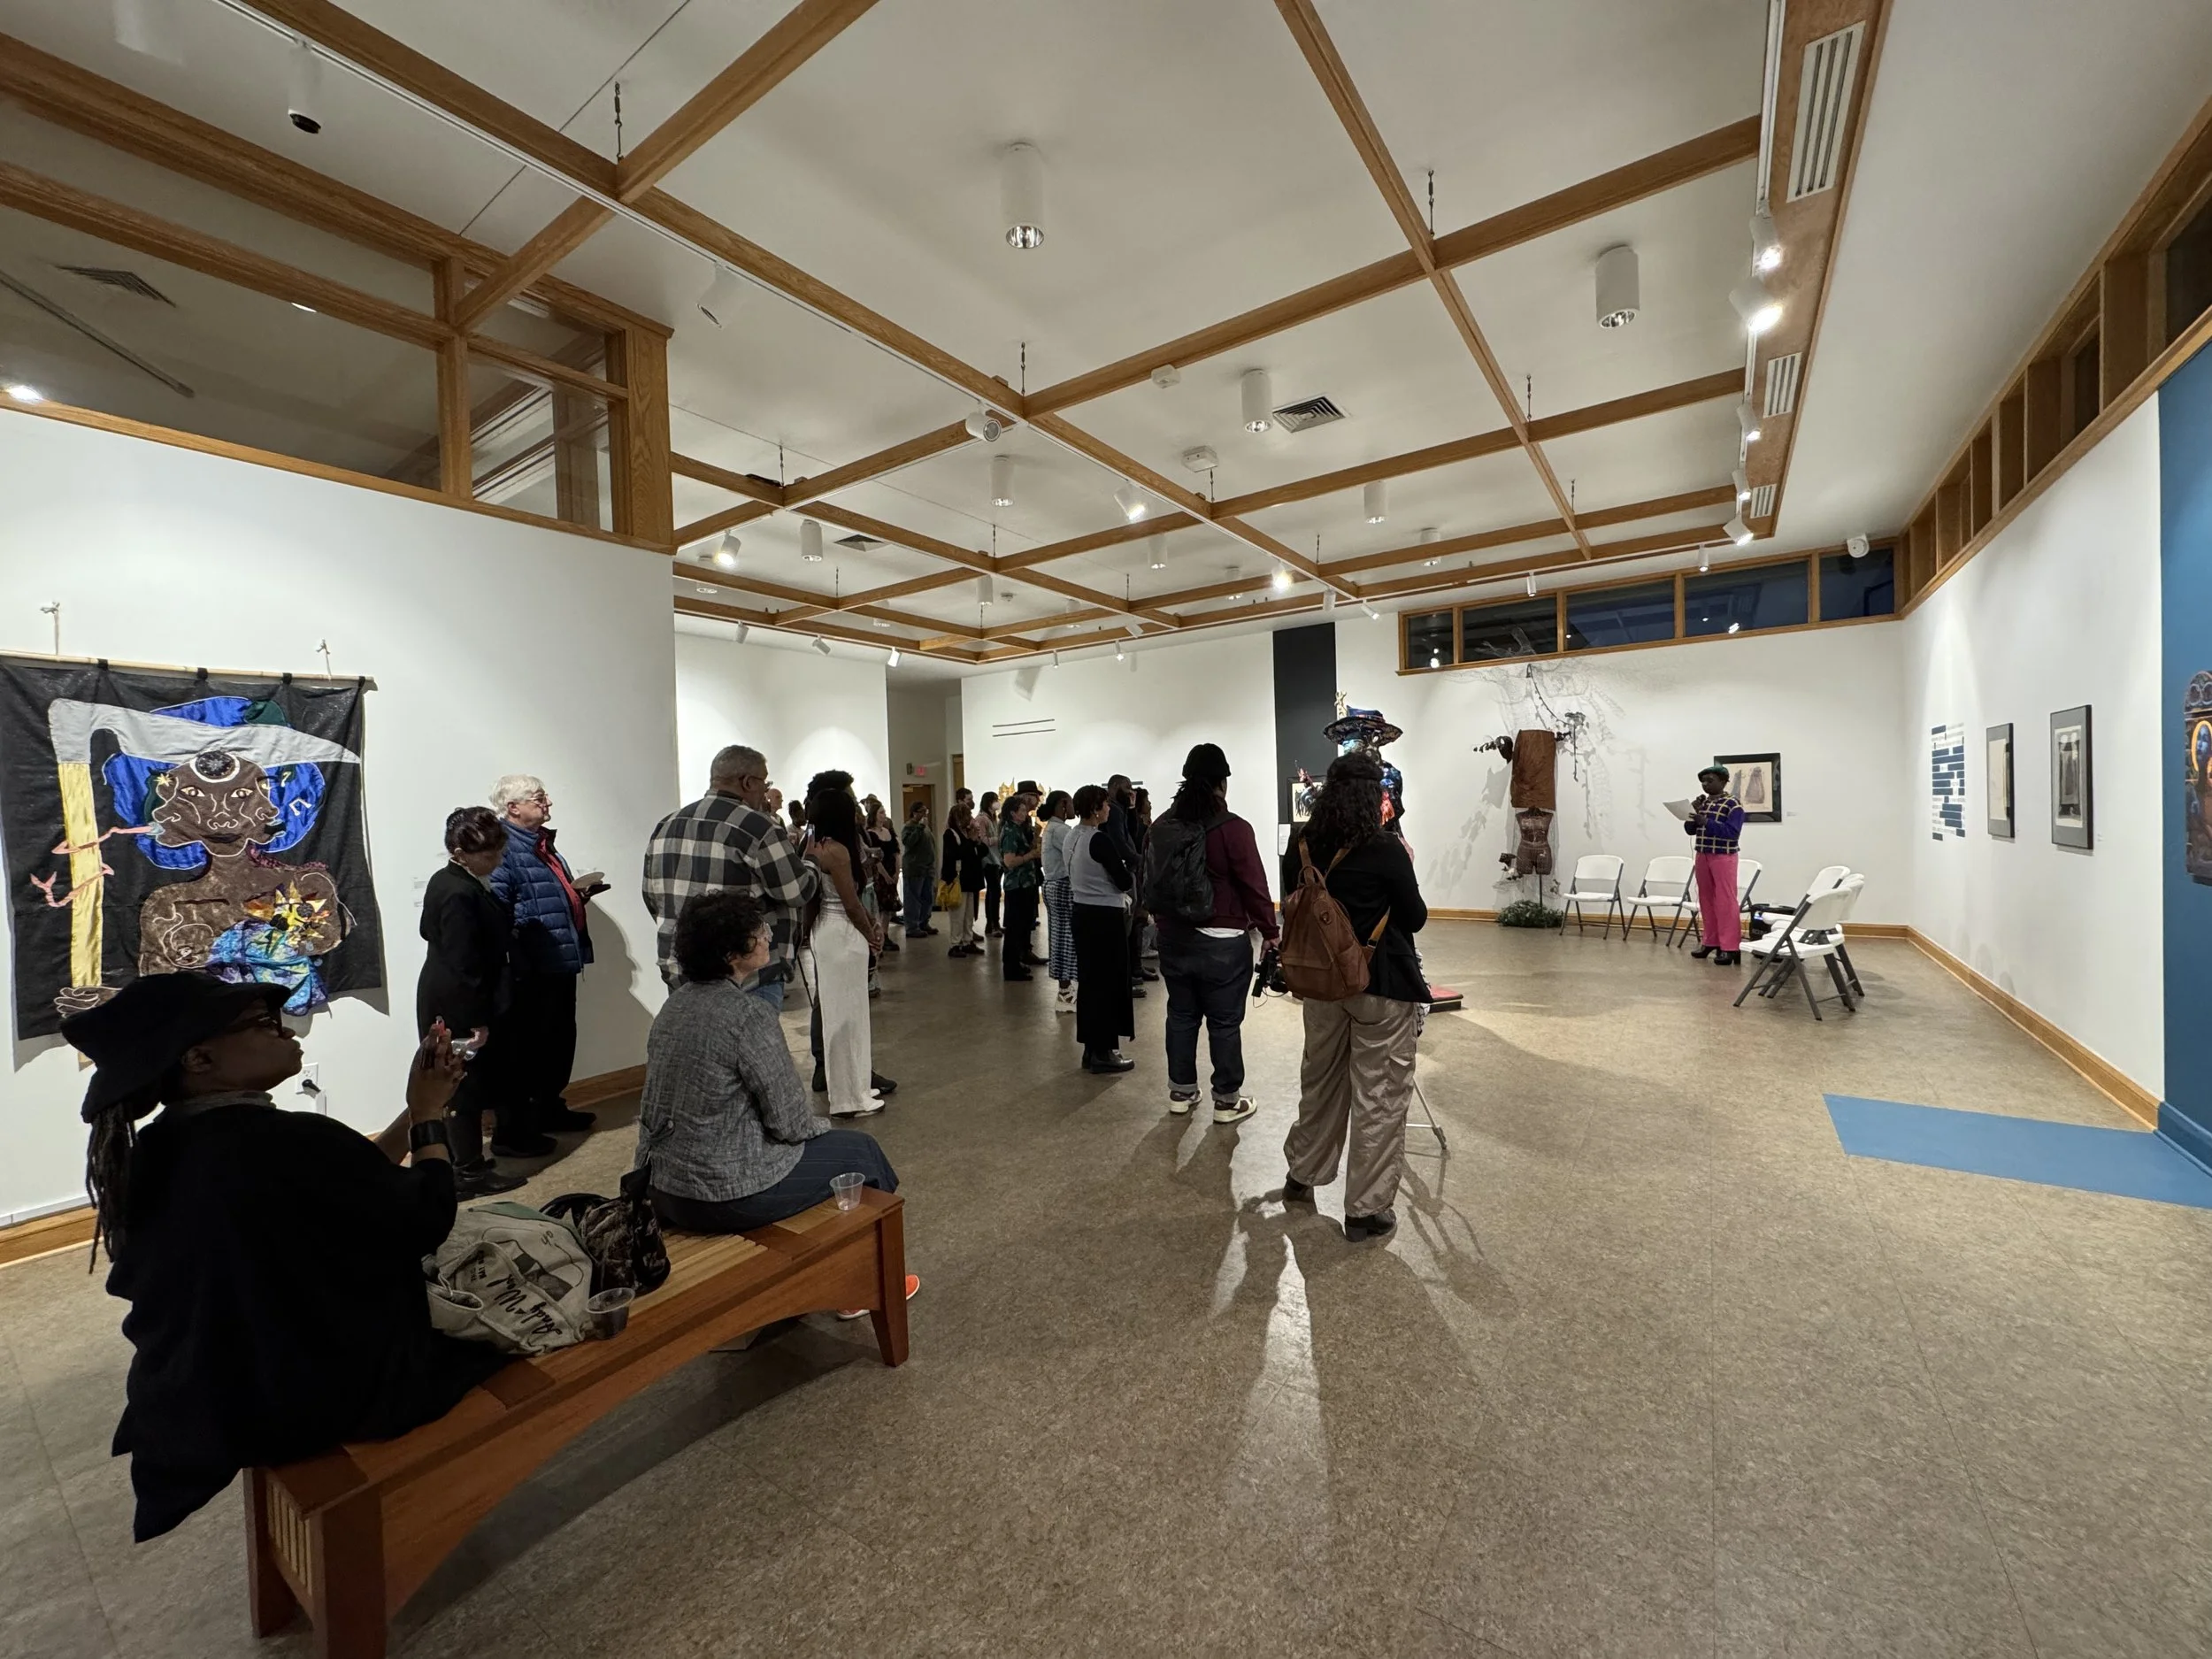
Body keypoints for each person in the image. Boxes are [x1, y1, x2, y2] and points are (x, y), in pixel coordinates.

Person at [64, 972, 508, 1541]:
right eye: (263, 1024)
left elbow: (345, 1180)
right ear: (199, 1058)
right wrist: (427, 1121)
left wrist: (420, 1106)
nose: (289, 1031)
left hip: (230, 1393)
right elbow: (426, 1215)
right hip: (322, 1394)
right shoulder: (286, 1145)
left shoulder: (160, 1149)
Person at [1279, 749, 1429, 1240]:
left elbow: (1294, 906)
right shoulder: (1384, 848)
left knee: (1319, 1080)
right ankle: (1365, 1210)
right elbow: (1413, 918)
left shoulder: (1302, 844)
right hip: (1380, 983)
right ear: (1373, 797)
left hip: (1320, 984)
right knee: (1379, 1093)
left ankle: (1302, 1175)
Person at [1150, 745, 1278, 1126]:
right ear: (1222, 783)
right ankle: (1226, 1100)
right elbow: (1254, 884)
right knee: (1224, 1022)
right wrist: (1271, 932)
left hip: (1172, 936)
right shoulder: (1234, 828)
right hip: (1222, 938)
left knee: (1181, 1014)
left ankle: (1181, 1092)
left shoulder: (1161, 826)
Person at [642, 745, 818, 1014]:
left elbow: (652, 897)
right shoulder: (758, 827)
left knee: (699, 1052)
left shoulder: (667, 825)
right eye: (765, 782)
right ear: (748, 782)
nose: (765, 789)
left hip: (682, 971)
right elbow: (796, 890)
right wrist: (813, 863)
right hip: (744, 976)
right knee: (751, 1054)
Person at [488, 773, 603, 1154]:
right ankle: (517, 1128)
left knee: (556, 1042)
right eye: (538, 798)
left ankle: (549, 1108)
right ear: (513, 807)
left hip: (557, 960)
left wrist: (575, 897)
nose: (547, 803)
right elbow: (498, 909)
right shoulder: (505, 849)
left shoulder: (541, 845)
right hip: (533, 968)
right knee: (528, 1048)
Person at [417, 806, 526, 1199]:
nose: (496, 862)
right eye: (488, 855)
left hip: (447, 990)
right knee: (463, 1086)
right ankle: (469, 1172)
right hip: (457, 998)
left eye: (498, 853)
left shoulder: (449, 881)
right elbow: (466, 962)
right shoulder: (459, 891)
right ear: (460, 852)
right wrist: (476, 1019)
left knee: (463, 1082)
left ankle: (464, 1164)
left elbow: (428, 931)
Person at [800, 780, 885, 1118]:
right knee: (849, 1015)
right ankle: (850, 1096)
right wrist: (871, 933)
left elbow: (816, 901)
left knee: (839, 1013)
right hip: (843, 933)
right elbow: (850, 903)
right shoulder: (838, 851)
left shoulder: (813, 847)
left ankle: (854, 1085)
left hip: (826, 931)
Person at [1066, 784, 1136, 1072]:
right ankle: (1105, 1051)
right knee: (1108, 984)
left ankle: (1092, 1049)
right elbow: (1122, 880)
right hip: (1104, 917)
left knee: (1091, 984)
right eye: (1105, 804)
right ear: (1095, 809)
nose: (1109, 808)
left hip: (1082, 912)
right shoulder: (1099, 840)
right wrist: (1127, 870)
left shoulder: (1072, 836)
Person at [1684, 764, 1747, 965]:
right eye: (1703, 781)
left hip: (1724, 856)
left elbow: (1732, 833)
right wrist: (1692, 813)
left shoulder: (1733, 804)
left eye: (1710, 780)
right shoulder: (1702, 803)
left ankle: (1730, 947)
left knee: (1726, 901)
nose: (1705, 784)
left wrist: (1706, 822)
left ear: (1723, 782)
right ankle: (1710, 941)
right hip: (1703, 854)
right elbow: (1690, 830)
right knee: (1706, 899)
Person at [996, 794, 1046, 981]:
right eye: (1022, 810)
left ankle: (1018, 961)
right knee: (1014, 927)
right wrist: (1030, 855)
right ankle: (1011, 967)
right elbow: (1009, 862)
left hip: (1026, 883)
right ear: (1013, 813)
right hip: (1016, 885)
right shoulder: (1010, 832)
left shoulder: (1019, 829)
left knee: (1023, 925)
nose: (1026, 813)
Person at [1039, 789, 1078, 1013]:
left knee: (1061, 936)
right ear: (1063, 805)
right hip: (1062, 885)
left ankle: (1066, 989)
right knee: (1066, 939)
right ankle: (1065, 992)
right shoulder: (1061, 830)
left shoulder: (1052, 828)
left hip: (1054, 886)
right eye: (1071, 803)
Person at [942, 802, 989, 957]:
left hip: (970, 878)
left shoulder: (969, 833)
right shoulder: (950, 834)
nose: (970, 819)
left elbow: (983, 850)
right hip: (957, 879)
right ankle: (955, 944)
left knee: (969, 913)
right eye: (967, 815)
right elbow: (957, 853)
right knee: (958, 914)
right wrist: (972, 843)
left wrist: (975, 842)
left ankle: (967, 940)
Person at [860, 796, 902, 956]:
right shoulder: (870, 834)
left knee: (888, 907)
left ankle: (885, 934)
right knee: (878, 905)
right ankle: (877, 937)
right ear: (874, 815)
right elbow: (874, 857)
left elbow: (896, 852)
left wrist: (897, 872)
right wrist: (884, 875)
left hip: (892, 871)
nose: (884, 815)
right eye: (881, 813)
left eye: (884, 812)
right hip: (879, 874)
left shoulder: (888, 831)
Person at [900, 802, 939, 939]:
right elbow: (908, 842)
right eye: (921, 811)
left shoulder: (925, 828)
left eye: (925, 811)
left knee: (927, 897)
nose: (924, 814)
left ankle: (923, 922)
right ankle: (912, 927)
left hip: (927, 868)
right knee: (913, 899)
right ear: (914, 813)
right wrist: (920, 827)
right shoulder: (909, 827)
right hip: (914, 868)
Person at [977, 792, 1004, 938]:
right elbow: (983, 840)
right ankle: (992, 924)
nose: (998, 803)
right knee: (993, 892)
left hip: (996, 859)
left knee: (996, 892)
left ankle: (995, 923)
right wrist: (998, 839)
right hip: (988, 860)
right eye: (995, 800)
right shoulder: (982, 819)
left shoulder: (993, 819)